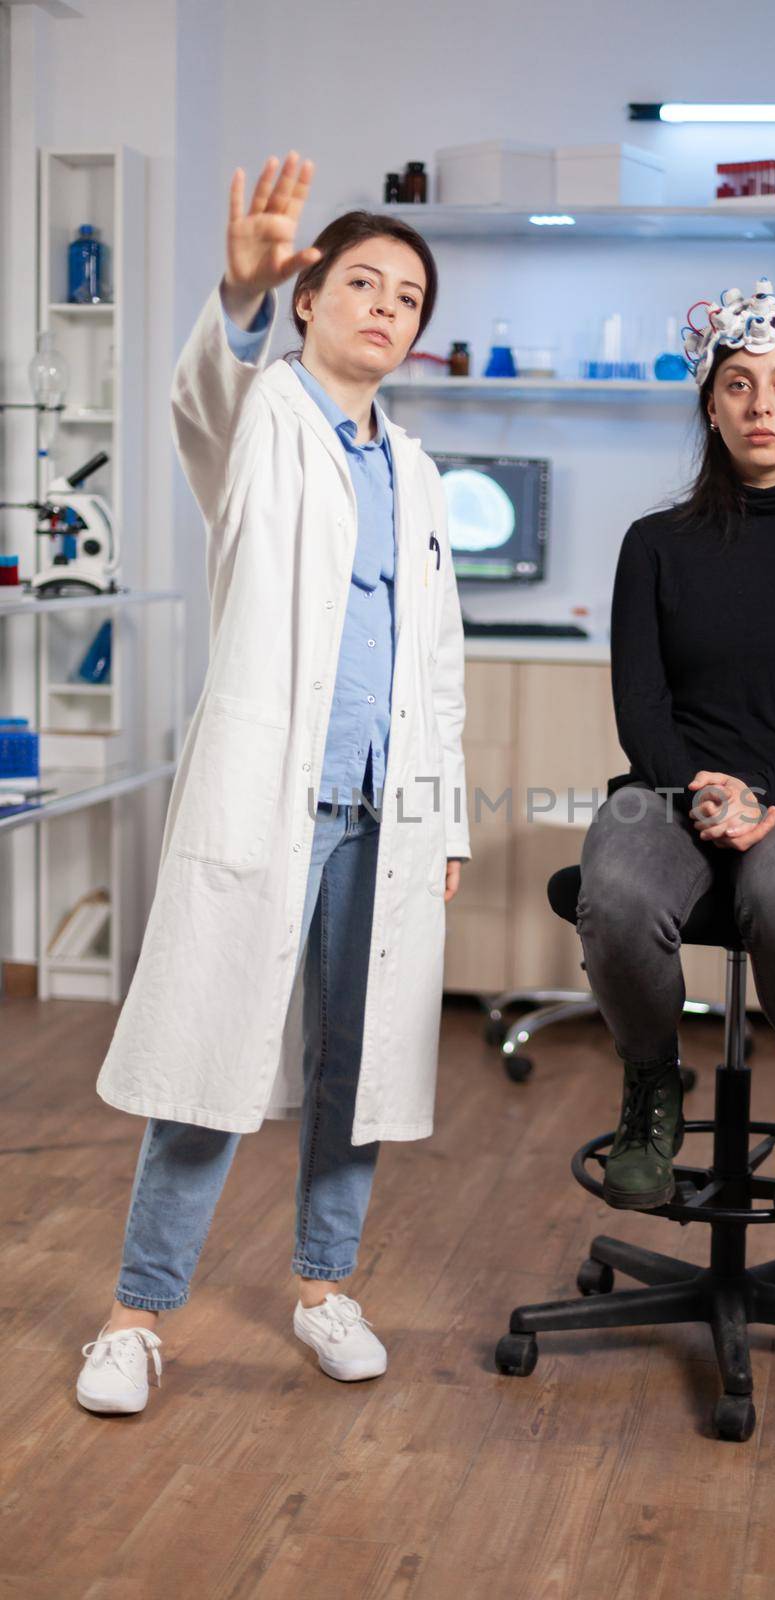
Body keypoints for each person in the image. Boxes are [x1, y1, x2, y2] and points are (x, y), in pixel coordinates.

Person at [76, 152, 470, 1415]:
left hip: (382, 811)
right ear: (307, 300)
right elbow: (203, 396)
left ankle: (321, 1286)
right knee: (212, 1056)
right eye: (359, 281)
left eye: (406, 298)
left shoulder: (412, 473)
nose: (383, 308)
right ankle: (136, 1318)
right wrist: (237, 291)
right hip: (269, 799)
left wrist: (445, 814)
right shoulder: (265, 416)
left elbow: (438, 664)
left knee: (356, 1065)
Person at [575, 276, 775, 1226]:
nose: (761, 404)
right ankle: (649, 1086)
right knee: (619, 890)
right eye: (738, 384)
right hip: (668, 788)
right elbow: (639, 706)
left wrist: (763, 798)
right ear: (709, 405)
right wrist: (697, 791)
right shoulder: (653, 544)